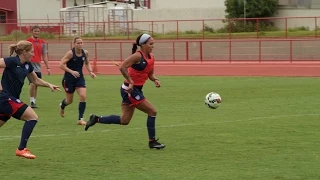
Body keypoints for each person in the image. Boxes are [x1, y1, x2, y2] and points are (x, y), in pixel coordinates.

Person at [85, 33, 165, 149]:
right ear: (142, 45)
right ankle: (152, 142)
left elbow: (150, 74)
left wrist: (155, 80)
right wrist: (131, 81)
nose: (153, 46)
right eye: (150, 44)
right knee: (152, 111)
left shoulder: (151, 57)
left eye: (153, 44)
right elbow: (122, 67)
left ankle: (96, 119)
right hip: (130, 90)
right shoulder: (138, 56)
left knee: (124, 120)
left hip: (135, 90)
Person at [0, 41, 60, 159]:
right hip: (5, 98)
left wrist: (49, 85)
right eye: (32, 52)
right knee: (32, 117)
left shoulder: (27, 65)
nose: (33, 54)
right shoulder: (12, 61)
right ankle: (21, 149)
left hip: (10, 100)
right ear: (24, 52)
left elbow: (35, 80)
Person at [59, 37, 96, 126]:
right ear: (74, 44)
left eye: (81, 43)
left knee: (83, 96)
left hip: (80, 78)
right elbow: (61, 64)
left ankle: (80, 119)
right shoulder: (70, 53)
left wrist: (90, 72)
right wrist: (71, 71)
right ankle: (62, 105)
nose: (80, 44)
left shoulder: (85, 52)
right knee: (69, 100)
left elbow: (87, 63)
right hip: (68, 79)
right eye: (78, 43)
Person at [26, 25, 51, 108]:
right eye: (35, 31)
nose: (36, 32)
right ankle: (31, 102)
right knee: (33, 83)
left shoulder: (42, 43)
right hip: (30, 64)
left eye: (38, 31)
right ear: (32, 31)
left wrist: (48, 67)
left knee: (36, 84)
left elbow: (44, 55)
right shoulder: (28, 42)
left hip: (38, 66)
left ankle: (33, 101)